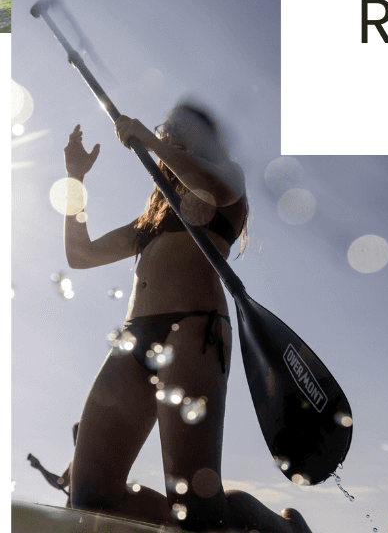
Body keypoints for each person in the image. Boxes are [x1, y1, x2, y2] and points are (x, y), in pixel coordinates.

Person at [62, 106, 312, 533]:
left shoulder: (226, 177)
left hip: (193, 332)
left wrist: (152, 141)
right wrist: (75, 177)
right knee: (89, 498)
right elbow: (80, 255)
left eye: (179, 127)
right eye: (166, 126)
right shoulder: (154, 216)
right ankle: (230, 519)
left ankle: (283, 529)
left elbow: (211, 185)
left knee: (196, 508)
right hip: (133, 338)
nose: (169, 131)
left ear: (205, 137)